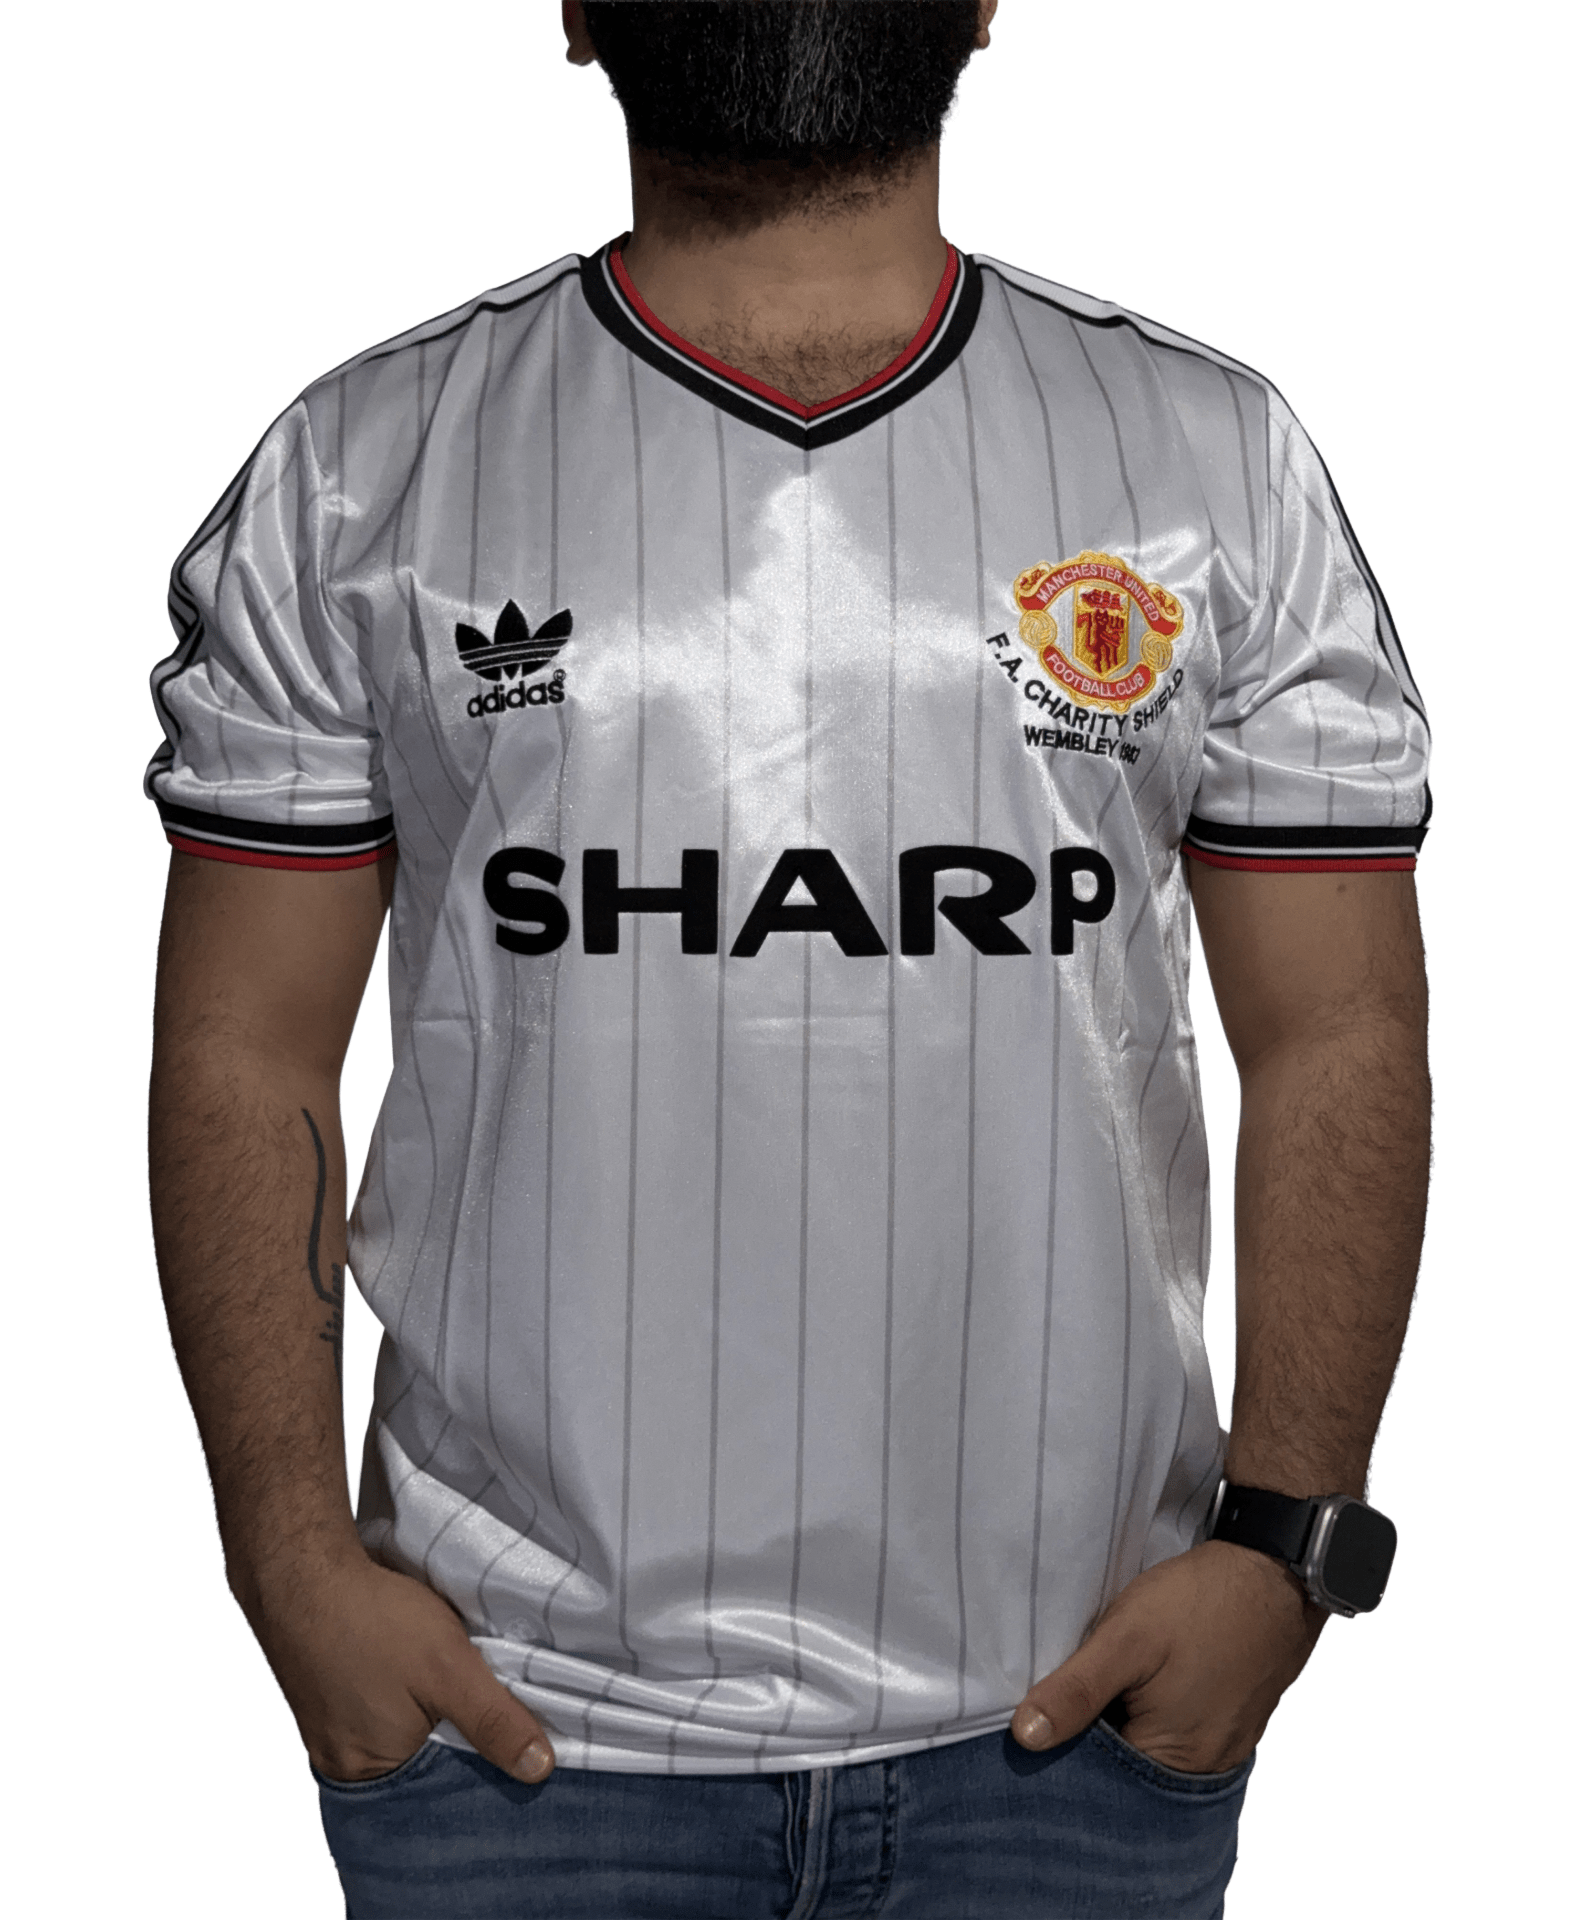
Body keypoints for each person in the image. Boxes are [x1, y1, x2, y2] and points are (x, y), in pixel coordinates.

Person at [146, 3, 1431, 1914]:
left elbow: (1337, 1030)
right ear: (574, 7)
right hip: (517, 1730)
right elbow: (246, 1051)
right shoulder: (362, 475)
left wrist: (1284, 1551)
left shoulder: (1210, 466)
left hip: (1069, 1726)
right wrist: (286, 1558)